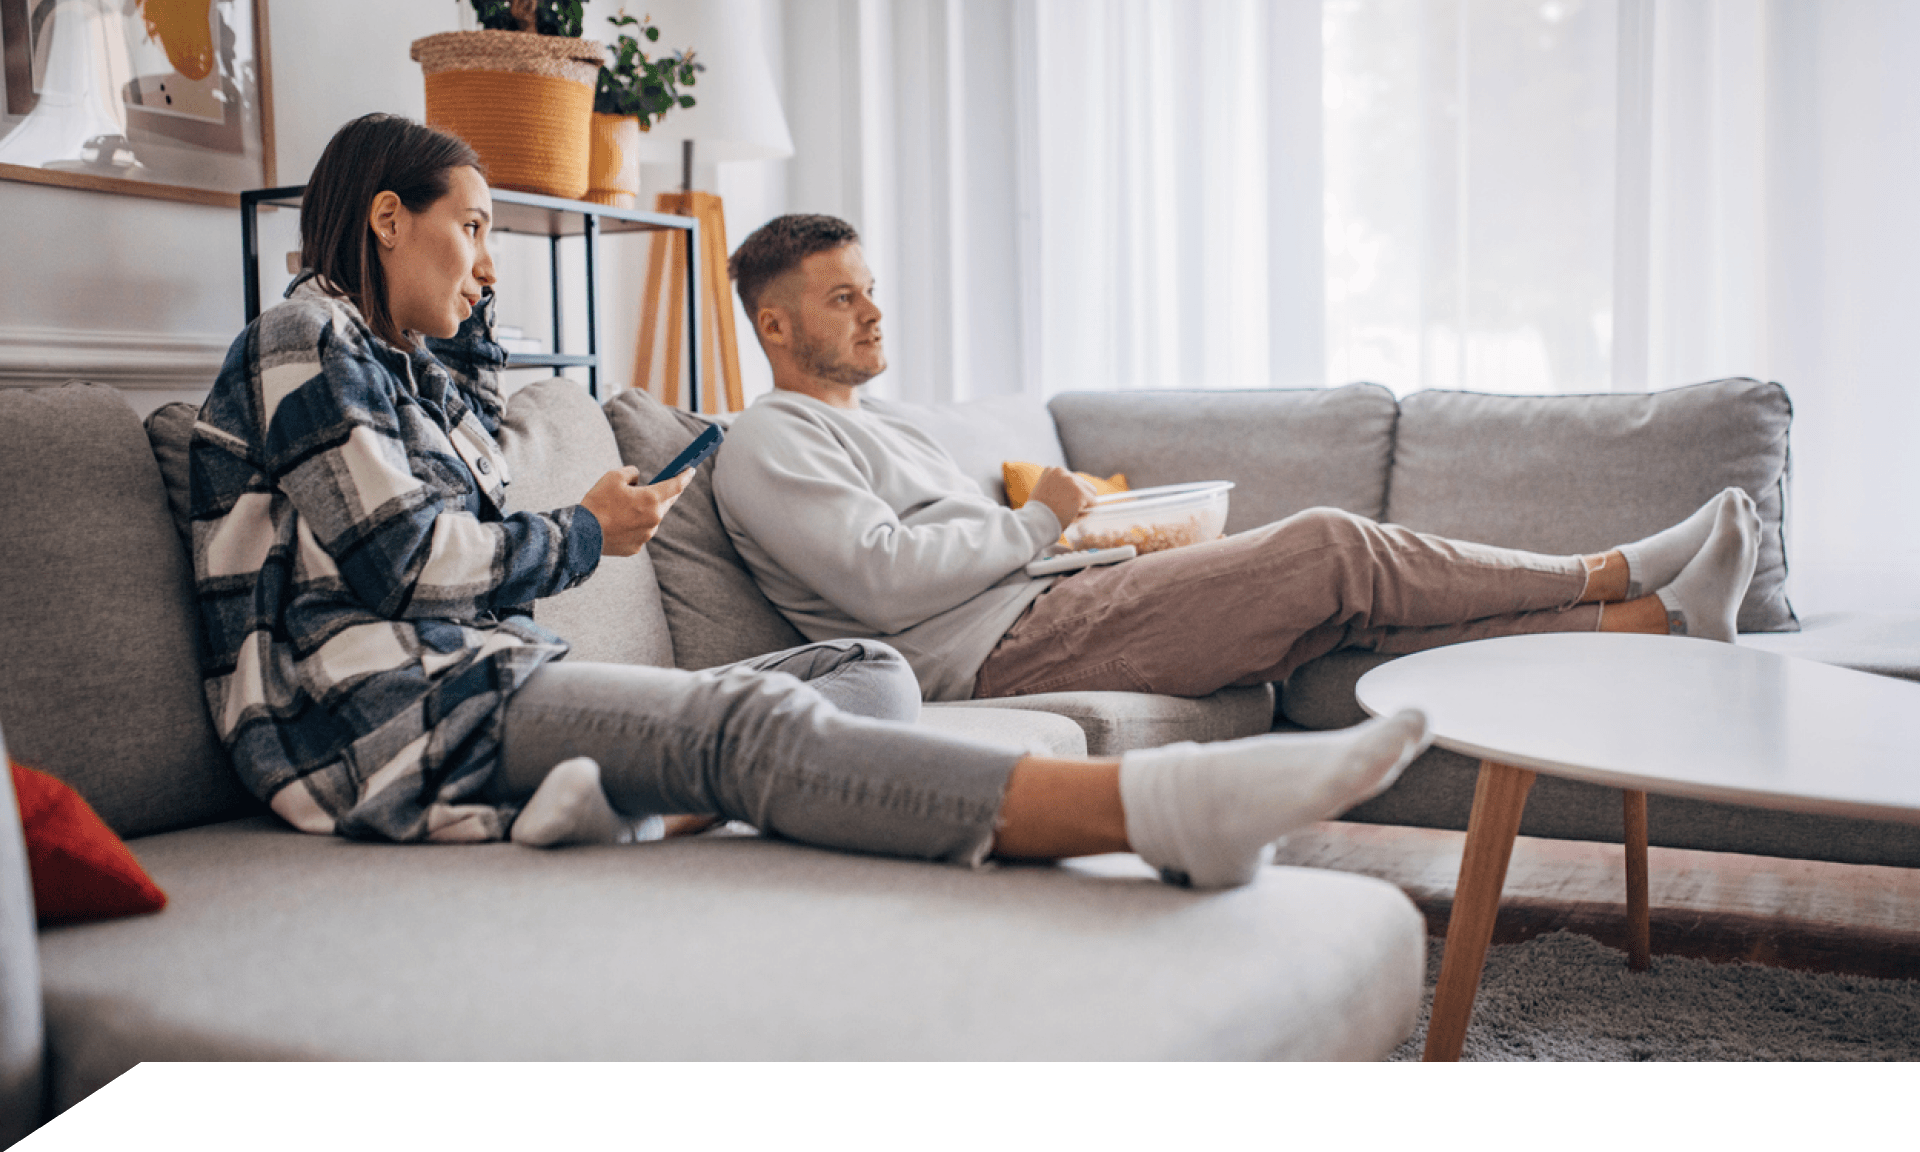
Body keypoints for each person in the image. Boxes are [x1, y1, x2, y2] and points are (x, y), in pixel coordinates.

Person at [185, 112, 1435, 892]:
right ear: (387, 219)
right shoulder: (300, 337)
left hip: (492, 684)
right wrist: (583, 534)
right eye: (474, 229)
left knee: (862, 672)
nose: (491, 261)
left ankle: (623, 803)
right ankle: (1153, 813)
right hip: (387, 716)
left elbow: (464, 527)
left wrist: (498, 410)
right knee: (744, 726)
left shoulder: (413, 373)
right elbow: (404, 559)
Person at [711, 214, 1763, 708]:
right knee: (1330, 549)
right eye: (843, 297)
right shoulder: (770, 439)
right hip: (996, 653)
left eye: (873, 288)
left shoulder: (892, 421)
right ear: (773, 323)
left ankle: (1658, 623)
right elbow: (880, 577)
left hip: (1053, 602)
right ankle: (1611, 571)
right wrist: (1043, 521)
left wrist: (1085, 540)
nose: (874, 311)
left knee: (1347, 630)